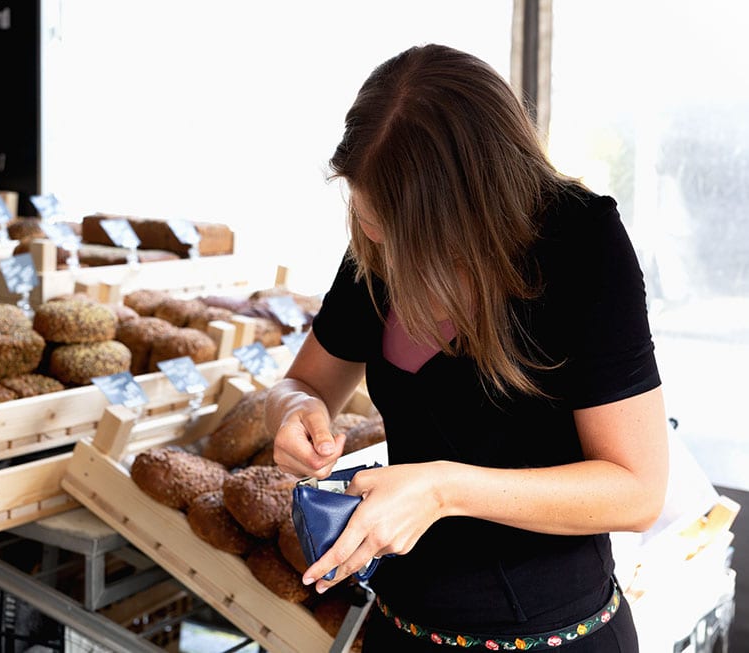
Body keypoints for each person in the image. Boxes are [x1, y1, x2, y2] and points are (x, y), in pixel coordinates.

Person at [265, 43, 667, 652]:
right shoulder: (378, 247)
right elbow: (305, 383)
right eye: (368, 221)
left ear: (470, 203)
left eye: (400, 231)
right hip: (403, 628)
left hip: (554, 636)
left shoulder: (582, 245)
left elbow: (637, 490)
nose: (381, 250)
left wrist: (443, 489)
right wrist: (293, 411)